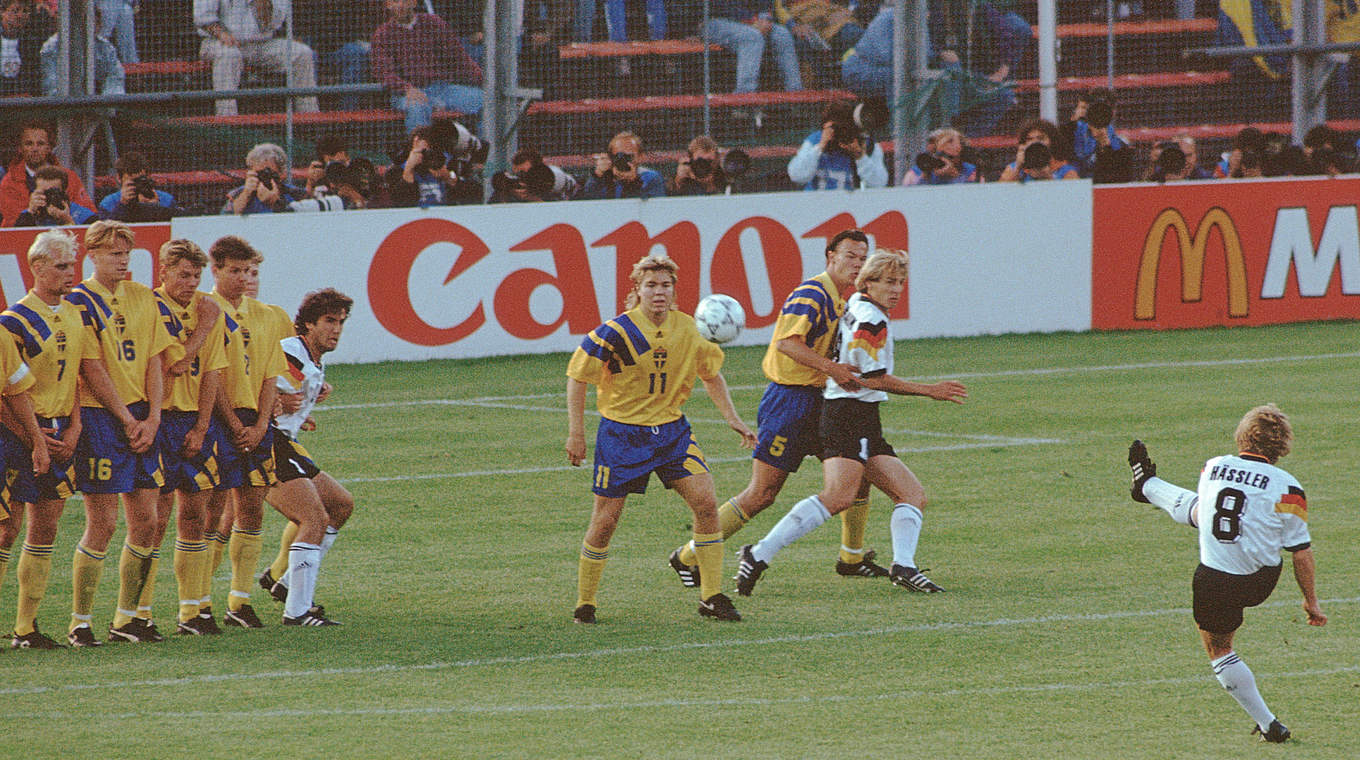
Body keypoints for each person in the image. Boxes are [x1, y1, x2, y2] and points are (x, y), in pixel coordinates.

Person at [735, 248, 968, 596]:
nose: (897, 289)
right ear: (868, 282)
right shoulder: (871, 320)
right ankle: (759, 553)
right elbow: (869, 379)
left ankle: (903, 566)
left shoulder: (857, 306)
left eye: (901, 282)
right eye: (889, 281)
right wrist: (929, 390)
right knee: (838, 496)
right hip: (848, 415)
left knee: (912, 495)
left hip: (858, 415)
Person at [668, 229, 877, 589]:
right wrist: (833, 369)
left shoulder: (842, 299)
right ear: (830, 257)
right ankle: (687, 555)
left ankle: (852, 557)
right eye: (850, 256)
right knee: (763, 494)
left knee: (858, 476)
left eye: (862, 258)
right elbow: (785, 343)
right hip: (790, 402)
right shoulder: (813, 293)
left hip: (823, 400)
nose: (856, 264)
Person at [566, 252, 756, 624]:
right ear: (636, 289)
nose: (658, 292)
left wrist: (732, 418)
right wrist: (577, 433)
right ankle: (585, 602)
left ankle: (712, 596)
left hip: (671, 433)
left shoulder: (690, 329)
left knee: (705, 502)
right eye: (650, 285)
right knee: (605, 521)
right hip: (622, 435)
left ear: (674, 291)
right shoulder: (615, 331)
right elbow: (577, 377)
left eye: (665, 285)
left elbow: (711, 374)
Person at [1127, 404, 1326, 743]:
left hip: (1216, 579)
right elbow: (1301, 553)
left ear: (1242, 436)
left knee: (1220, 650)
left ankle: (1269, 724)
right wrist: (1311, 602)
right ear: (1282, 446)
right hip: (1262, 578)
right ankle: (1146, 486)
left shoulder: (1213, 467)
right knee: (1219, 513)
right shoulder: (1289, 486)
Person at [64, 220, 181, 645]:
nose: (122, 260)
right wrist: (127, 419)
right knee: (103, 523)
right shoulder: (79, 301)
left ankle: (127, 619)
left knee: (147, 520)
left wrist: (151, 417)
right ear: (92, 255)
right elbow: (90, 368)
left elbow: (154, 359)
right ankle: (80, 621)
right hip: (100, 417)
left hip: (142, 416)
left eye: (126, 252)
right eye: (114, 253)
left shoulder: (141, 297)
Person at [2, 230, 85, 649]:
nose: (71, 273)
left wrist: (73, 429)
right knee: (6, 528)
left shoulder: (74, 315)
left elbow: (77, 380)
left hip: (61, 433)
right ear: (36, 267)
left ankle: (26, 628)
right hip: (21, 436)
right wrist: (31, 438)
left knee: (45, 527)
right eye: (62, 265)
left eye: (72, 265)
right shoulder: (14, 322)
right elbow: (6, 393)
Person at [202, 235, 291, 628]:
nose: (242, 278)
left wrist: (259, 424)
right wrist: (236, 423)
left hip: (256, 422)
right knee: (211, 510)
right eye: (234, 270)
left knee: (251, 509)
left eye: (247, 271)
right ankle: (197, 600)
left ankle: (238, 602)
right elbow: (212, 374)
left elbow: (272, 373)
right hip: (218, 420)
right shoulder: (205, 310)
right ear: (216, 269)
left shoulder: (267, 314)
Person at [257, 288, 355, 626]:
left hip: (285, 442)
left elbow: (289, 393)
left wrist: (302, 410)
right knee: (313, 517)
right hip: (266, 444)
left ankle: (282, 583)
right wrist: (275, 407)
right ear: (309, 323)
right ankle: (296, 612)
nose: (337, 329)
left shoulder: (310, 359)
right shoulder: (291, 352)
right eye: (329, 321)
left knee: (340, 505)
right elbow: (256, 384)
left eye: (341, 322)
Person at [152, 239, 229, 636]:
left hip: (193, 423)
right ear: (163, 272)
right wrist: (206, 324)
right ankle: (137, 612)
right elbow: (179, 362)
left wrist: (202, 427)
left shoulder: (205, 308)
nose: (190, 282)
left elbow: (212, 372)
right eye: (183, 274)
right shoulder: (154, 307)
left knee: (195, 516)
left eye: (196, 276)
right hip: (159, 419)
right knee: (155, 519)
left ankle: (192, 611)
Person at [371, 0, 484, 134]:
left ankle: (488, 151)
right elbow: (383, 73)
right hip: (405, 93)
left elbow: (460, 59)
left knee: (486, 100)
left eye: (404, 1)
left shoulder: (433, 23)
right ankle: (420, 153)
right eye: (394, 1)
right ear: (387, 5)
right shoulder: (382, 34)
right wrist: (407, 89)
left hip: (441, 88)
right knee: (417, 108)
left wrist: (485, 81)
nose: (400, 5)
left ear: (414, 2)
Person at [194, 0, 320, 116]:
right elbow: (202, 17)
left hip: (260, 44)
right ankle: (227, 122)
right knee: (230, 55)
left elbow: (274, 23)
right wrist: (221, 33)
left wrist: (263, 5)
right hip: (217, 42)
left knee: (302, 53)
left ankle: (309, 120)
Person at [0, 121, 95, 228]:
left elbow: (89, 216)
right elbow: (13, 224)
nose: (35, 149)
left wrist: (67, 218)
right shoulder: (9, 183)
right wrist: (31, 211)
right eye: (29, 144)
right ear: (20, 149)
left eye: (40, 143)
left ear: (49, 147)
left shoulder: (70, 177)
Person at [704, 0, 802, 97]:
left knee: (783, 34)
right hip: (715, 21)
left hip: (749, 22)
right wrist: (751, 20)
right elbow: (720, 7)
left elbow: (766, 5)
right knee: (752, 36)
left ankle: (796, 93)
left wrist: (764, 19)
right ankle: (745, 100)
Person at [787, 102, 888, 190]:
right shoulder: (815, 140)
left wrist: (860, 157)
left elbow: (879, 184)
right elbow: (796, 176)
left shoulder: (866, 144)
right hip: (815, 204)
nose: (841, 132)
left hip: (850, 207)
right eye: (836, 128)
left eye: (846, 128)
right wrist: (820, 147)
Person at [223, 142, 307, 215]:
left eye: (269, 173)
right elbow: (224, 218)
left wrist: (276, 202)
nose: (264, 177)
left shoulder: (294, 193)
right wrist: (246, 194)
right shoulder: (238, 194)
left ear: (281, 173)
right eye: (260, 173)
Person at [581, 131, 666, 200]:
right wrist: (597, 177)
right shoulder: (604, 176)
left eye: (629, 156)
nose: (623, 160)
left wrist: (633, 183)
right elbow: (589, 205)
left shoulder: (651, 177)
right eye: (619, 156)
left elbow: (654, 209)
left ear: (640, 156)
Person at [98, 152, 177, 222]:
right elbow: (106, 233)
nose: (137, 186)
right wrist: (122, 205)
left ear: (148, 176)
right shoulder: (108, 203)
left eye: (141, 181)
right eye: (133, 182)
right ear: (119, 178)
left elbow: (174, 228)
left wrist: (156, 208)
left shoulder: (166, 200)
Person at [997, 118, 1080, 183]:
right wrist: (1018, 169)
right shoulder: (1013, 168)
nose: (1035, 142)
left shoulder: (1065, 170)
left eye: (1041, 138)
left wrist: (1048, 177)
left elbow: (1072, 200)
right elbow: (999, 196)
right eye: (1029, 139)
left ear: (1052, 141)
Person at [11, 166, 98, 226]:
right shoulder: (26, 216)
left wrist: (68, 222)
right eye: (44, 192)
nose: (49, 197)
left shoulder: (86, 217)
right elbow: (18, 242)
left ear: (64, 192)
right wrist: (30, 212)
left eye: (53, 192)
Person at [489, 148, 579, 203]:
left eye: (524, 173)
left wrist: (534, 199)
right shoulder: (513, 186)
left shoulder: (552, 182)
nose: (522, 178)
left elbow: (561, 214)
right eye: (517, 174)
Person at [902, 127, 979, 185]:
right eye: (942, 154)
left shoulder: (969, 170)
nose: (946, 160)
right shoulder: (918, 171)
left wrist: (956, 177)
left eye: (950, 157)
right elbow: (909, 195)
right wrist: (926, 177)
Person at [0, 0, 44, 97]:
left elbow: (34, 80)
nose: (20, 16)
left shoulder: (31, 42)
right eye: (15, 11)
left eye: (25, 11)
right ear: (2, 12)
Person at [668, 135, 732, 196]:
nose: (704, 165)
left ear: (716, 159)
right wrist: (678, 181)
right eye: (700, 161)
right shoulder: (685, 177)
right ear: (690, 159)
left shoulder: (721, 175)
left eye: (709, 161)